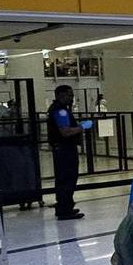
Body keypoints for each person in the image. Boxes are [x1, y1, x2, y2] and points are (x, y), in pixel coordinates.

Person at [47, 85, 91, 221]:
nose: (72, 98)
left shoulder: (58, 109)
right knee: (68, 178)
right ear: (61, 95)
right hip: (65, 149)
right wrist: (82, 127)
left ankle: (65, 206)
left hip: (61, 148)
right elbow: (65, 132)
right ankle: (65, 209)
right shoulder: (60, 111)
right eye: (70, 95)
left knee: (63, 179)